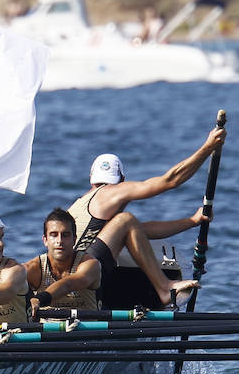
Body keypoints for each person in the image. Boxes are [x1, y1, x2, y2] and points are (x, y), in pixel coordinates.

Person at [68, 124, 224, 309]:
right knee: (126, 219)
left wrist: (191, 221)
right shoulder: (114, 191)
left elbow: (143, 231)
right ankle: (164, 288)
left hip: (70, 276)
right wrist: (207, 148)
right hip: (85, 270)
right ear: (122, 180)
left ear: (91, 178)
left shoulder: (78, 204)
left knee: (127, 223)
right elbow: (170, 180)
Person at [22, 208, 101, 314]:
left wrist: (39, 299)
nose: (59, 241)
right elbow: (8, 285)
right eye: (54, 235)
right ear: (45, 240)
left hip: (85, 328)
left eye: (65, 235)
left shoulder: (89, 264)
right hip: (48, 329)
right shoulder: (33, 268)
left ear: (74, 239)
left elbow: (68, 285)